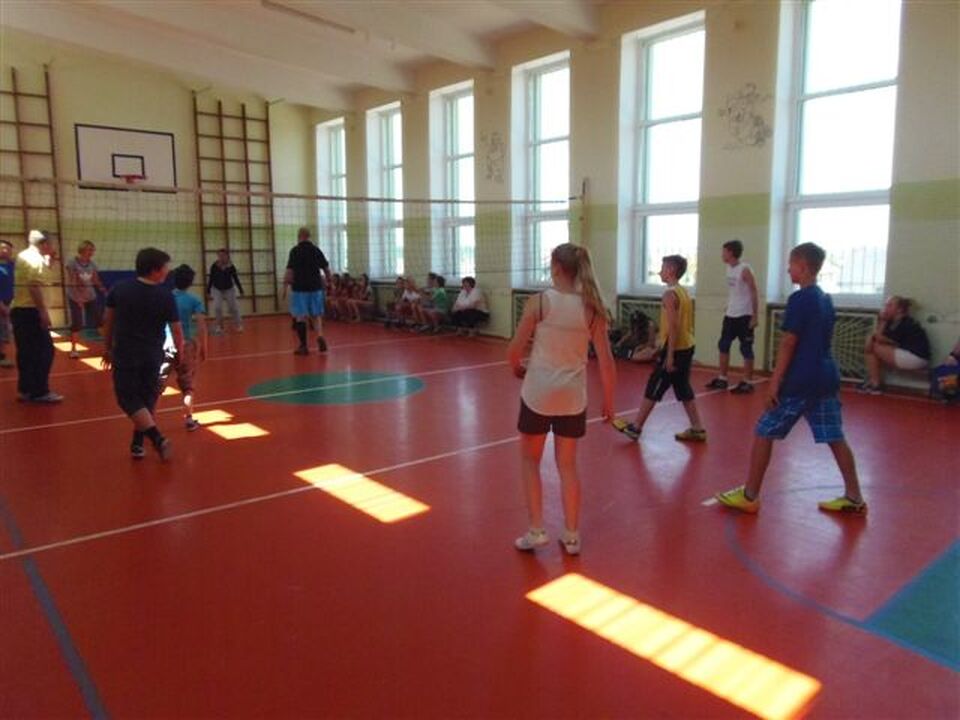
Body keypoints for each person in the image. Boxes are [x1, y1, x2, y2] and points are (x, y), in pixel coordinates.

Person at [714, 242, 867, 515]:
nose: (787, 270)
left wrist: (774, 382)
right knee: (835, 436)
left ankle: (750, 495)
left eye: (791, 265)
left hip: (801, 380)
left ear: (803, 267)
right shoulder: (825, 299)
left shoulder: (800, 299)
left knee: (764, 431)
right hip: (826, 377)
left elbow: (789, 342)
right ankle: (855, 497)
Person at [507, 243, 616, 556]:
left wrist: (517, 368)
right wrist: (609, 401)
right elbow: (607, 363)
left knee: (530, 460)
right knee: (567, 465)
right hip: (572, 398)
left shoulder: (540, 302)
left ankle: (536, 530)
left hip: (538, 393)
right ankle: (571, 536)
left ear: (556, 267)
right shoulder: (592, 308)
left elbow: (513, 350)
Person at [612, 255, 706, 442]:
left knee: (655, 385)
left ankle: (636, 427)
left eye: (663, 268)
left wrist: (669, 356)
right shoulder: (683, 292)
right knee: (683, 387)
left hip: (675, 349)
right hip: (686, 346)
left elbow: (674, 327)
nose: (660, 272)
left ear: (671, 270)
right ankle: (698, 428)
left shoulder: (669, 295)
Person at [101, 248, 182, 460]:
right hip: (152, 355)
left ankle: (157, 439)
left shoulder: (120, 289)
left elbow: (108, 321)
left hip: (126, 353)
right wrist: (179, 354)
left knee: (127, 397)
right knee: (147, 396)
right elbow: (176, 330)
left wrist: (106, 348)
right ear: (155, 270)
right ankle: (137, 443)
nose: (168, 271)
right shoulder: (165, 296)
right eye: (165, 267)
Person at [10, 229, 62, 403]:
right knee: (44, 352)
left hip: (21, 311)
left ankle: (25, 390)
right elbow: (33, 286)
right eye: (51, 242)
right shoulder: (35, 260)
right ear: (44, 243)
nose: (53, 246)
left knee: (26, 352)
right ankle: (39, 392)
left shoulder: (25, 255)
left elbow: (37, 277)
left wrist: (49, 261)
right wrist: (42, 312)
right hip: (30, 312)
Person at [705, 239, 759, 394]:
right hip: (731, 315)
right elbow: (735, 291)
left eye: (724, 251)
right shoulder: (728, 268)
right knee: (723, 345)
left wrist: (755, 316)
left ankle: (748, 381)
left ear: (731, 252)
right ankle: (722, 378)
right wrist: (729, 305)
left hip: (744, 315)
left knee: (746, 348)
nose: (722, 254)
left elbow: (754, 291)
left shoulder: (745, 269)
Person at [860, 295, 931, 394]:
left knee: (872, 347)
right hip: (910, 354)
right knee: (871, 347)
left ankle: (876, 384)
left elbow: (878, 339)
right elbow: (880, 338)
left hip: (916, 358)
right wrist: (874, 335)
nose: (885, 308)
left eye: (889, 306)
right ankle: (874, 382)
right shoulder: (894, 322)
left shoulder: (904, 323)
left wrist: (882, 321)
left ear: (899, 310)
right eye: (885, 305)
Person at [167, 264, 208, 432]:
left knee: (157, 385)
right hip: (186, 345)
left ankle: (147, 421)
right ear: (191, 282)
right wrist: (203, 346)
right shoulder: (194, 300)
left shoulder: (166, 298)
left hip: (166, 344)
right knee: (188, 385)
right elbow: (201, 325)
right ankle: (189, 419)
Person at [284, 227, 331, 355]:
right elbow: (326, 268)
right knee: (316, 315)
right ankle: (320, 336)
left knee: (301, 316)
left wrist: (286, 284)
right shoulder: (316, 250)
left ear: (299, 236)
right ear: (309, 236)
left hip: (300, 288)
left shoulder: (295, 251)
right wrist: (329, 281)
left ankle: (303, 346)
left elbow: (290, 271)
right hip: (315, 287)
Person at [65, 240, 107, 359]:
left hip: (90, 296)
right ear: (83, 250)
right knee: (77, 323)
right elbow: (72, 282)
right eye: (90, 250)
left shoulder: (92, 264)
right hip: (75, 296)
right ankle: (74, 350)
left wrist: (104, 290)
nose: (92, 252)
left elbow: (95, 280)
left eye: (93, 250)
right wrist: (78, 299)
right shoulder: (72, 263)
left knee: (99, 321)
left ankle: (108, 347)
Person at [207, 248, 244, 334]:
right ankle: (219, 326)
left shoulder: (231, 266)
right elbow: (211, 278)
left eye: (223, 255)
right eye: (219, 255)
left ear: (227, 256)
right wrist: (208, 290)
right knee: (217, 307)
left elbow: (235, 278)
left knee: (233, 307)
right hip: (217, 289)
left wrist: (241, 290)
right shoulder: (214, 266)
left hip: (229, 289)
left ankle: (238, 324)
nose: (221, 257)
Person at [0, 239, 14, 368]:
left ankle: (2, 357)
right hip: (1, 304)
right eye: (2, 248)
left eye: (8, 248)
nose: (5, 250)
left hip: (9, 303)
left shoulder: (13, 265)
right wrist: (2, 306)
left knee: (5, 331)